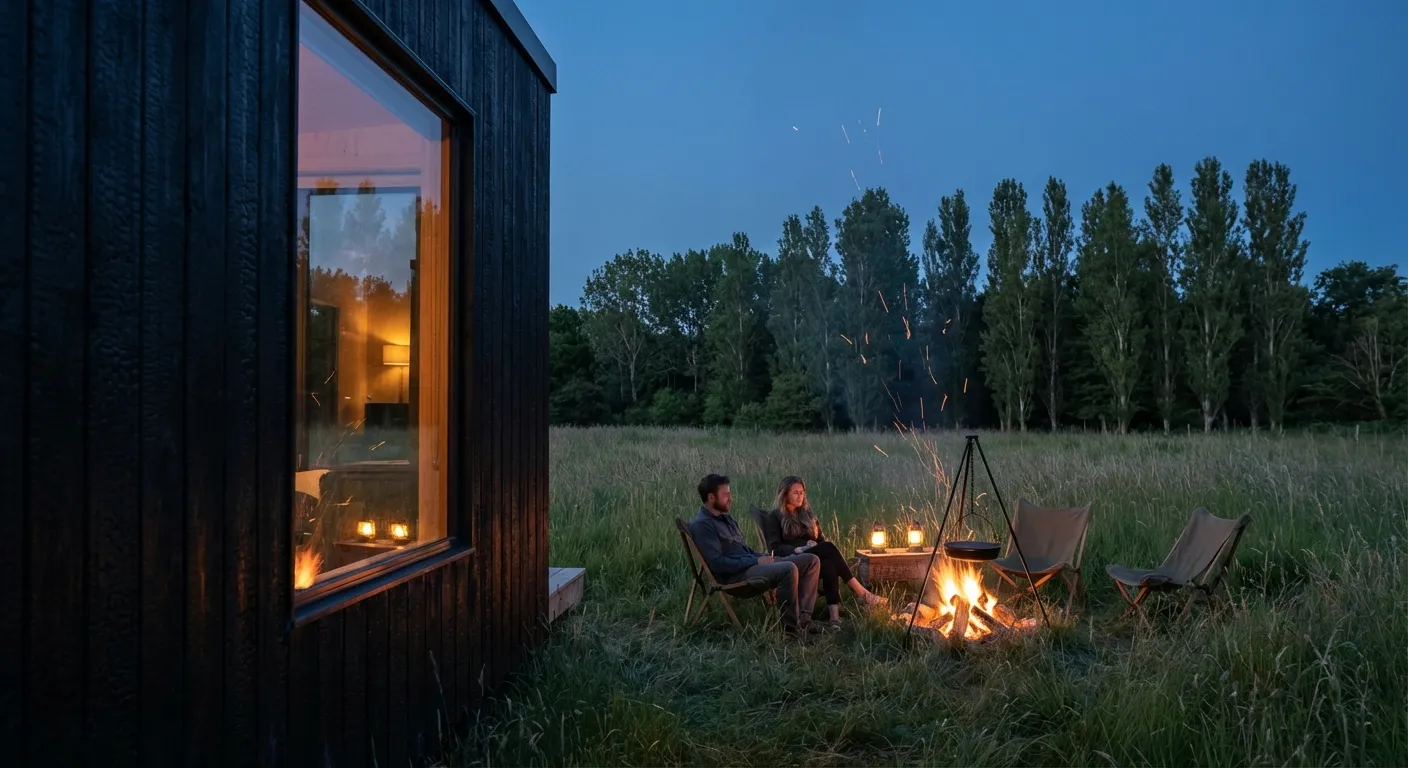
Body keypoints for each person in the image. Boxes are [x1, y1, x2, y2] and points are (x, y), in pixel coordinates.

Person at [688, 473, 822, 635]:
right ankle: (790, 630)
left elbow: (743, 549)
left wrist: (760, 557)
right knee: (788, 568)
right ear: (711, 497)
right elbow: (718, 564)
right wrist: (756, 562)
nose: (730, 498)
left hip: (751, 563)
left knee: (811, 560)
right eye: (725, 495)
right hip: (737, 576)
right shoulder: (703, 525)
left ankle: (804, 619)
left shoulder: (726, 519)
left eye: (730, 494)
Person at [770, 475, 888, 628]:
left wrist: (813, 544)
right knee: (829, 547)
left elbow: (821, 541)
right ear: (785, 494)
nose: (800, 496)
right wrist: (797, 549)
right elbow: (774, 548)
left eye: (802, 492)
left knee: (829, 564)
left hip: (814, 561)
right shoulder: (775, 517)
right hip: (793, 561)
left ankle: (834, 618)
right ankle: (862, 593)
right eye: (795, 493)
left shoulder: (807, 515)